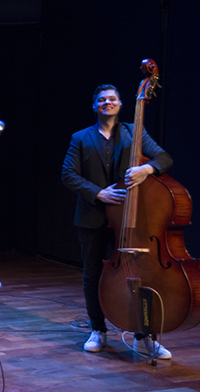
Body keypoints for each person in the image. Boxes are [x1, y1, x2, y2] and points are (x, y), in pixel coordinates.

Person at [61, 84, 173, 359]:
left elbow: (164, 158)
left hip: (130, 218)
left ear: (120, 104)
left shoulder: (134, 132)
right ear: (94, 106)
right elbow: (68, 174)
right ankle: (98, 330)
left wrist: (147, 169)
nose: (107, 103)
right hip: (93, 216)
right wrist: (99, 192)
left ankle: (144, 336)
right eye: (101, 100)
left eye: (112, 99)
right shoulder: (81, 137)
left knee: (139, 277)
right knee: (92, 274)